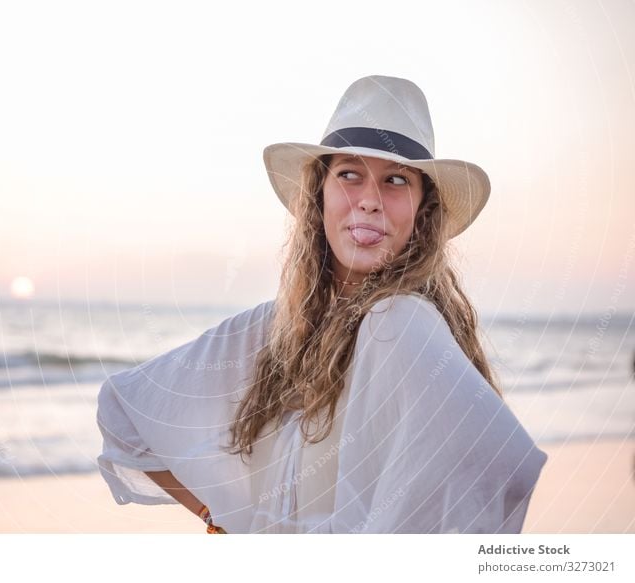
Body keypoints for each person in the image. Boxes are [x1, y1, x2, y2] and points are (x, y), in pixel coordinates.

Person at [95, 75, 548, 534]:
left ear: (422, 209)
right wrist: (221, 521)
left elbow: (497, 462)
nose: (369, 200)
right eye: (349, 174)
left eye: (395, 180)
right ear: (320, 193)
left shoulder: (397, 320)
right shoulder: (276, 326)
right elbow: (125, 412)